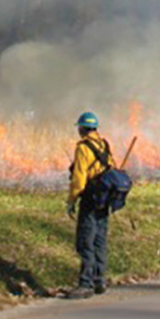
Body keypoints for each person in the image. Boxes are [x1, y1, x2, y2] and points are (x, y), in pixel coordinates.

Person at [65, 111, 113, 299]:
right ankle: (99, 280)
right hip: (104, 198)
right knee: (100, 240)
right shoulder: (104, 144)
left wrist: (72, 200)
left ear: (82, 128)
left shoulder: (83, 148)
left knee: (85, 241)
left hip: (90, 199)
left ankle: (85, 284)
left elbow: (79, 178)